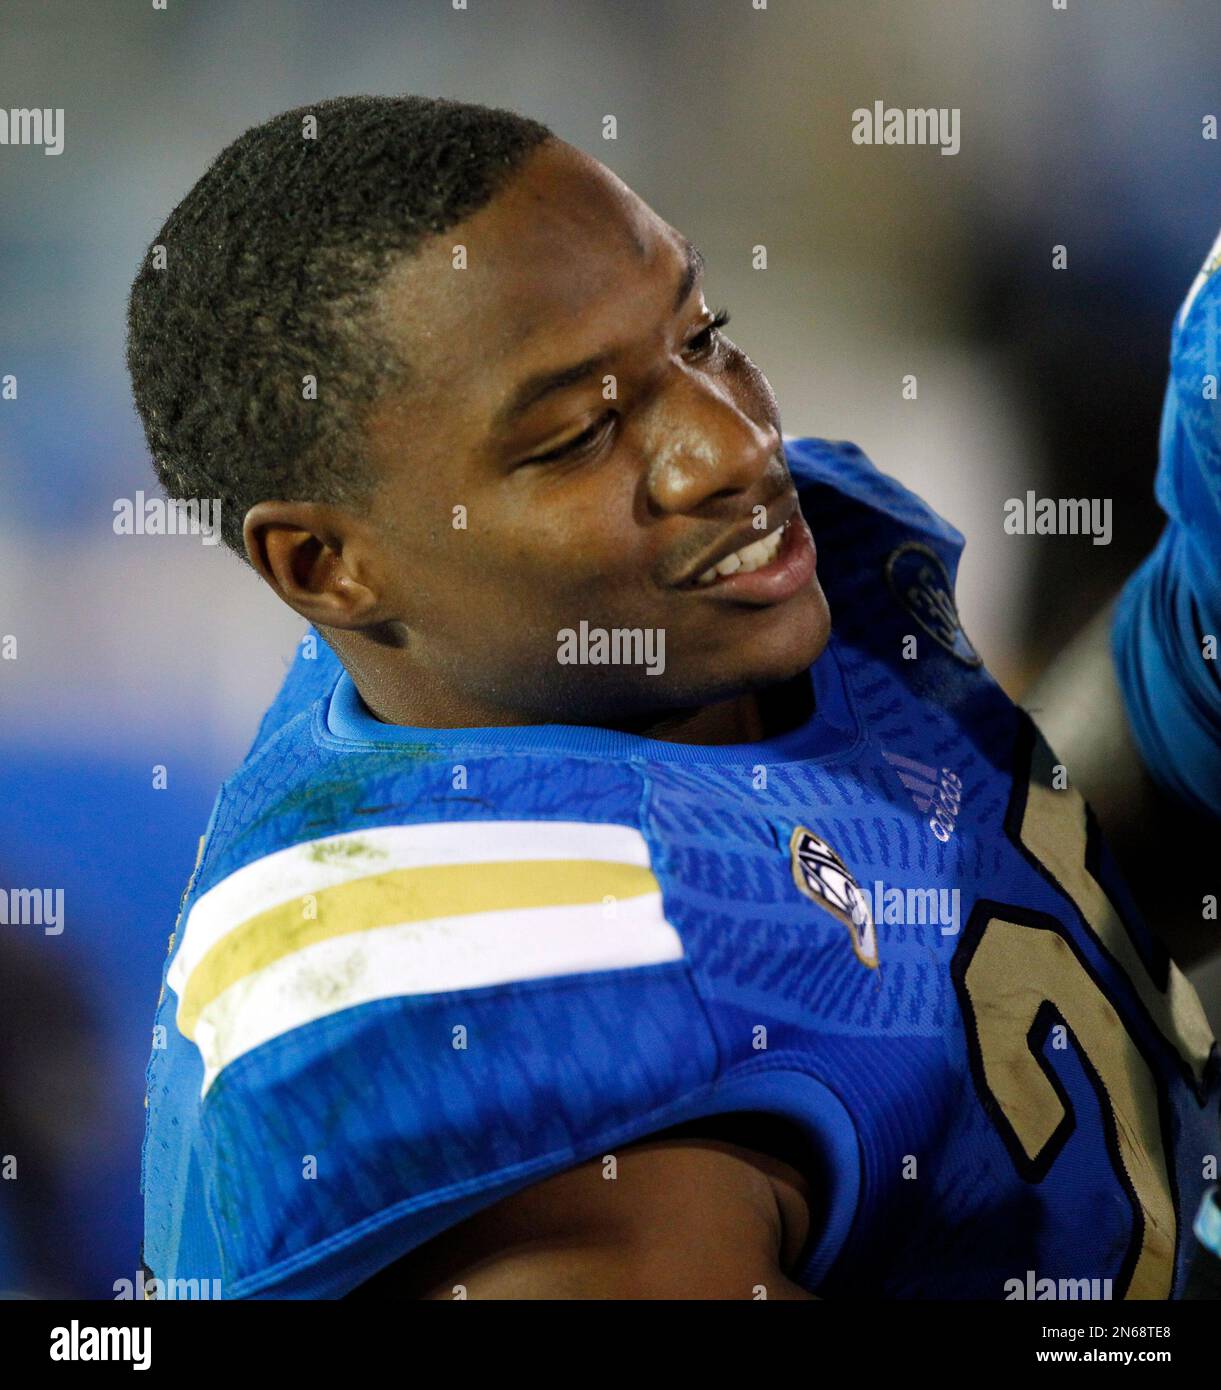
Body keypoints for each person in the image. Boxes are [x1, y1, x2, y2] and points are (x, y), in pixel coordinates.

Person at [128, 94, 1218, 1300]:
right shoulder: (490, 1011)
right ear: (329, 567)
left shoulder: (634, 634)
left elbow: (1012, 909)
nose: (735, 446)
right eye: (585, 434)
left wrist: (1193, 660)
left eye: (701, 337)